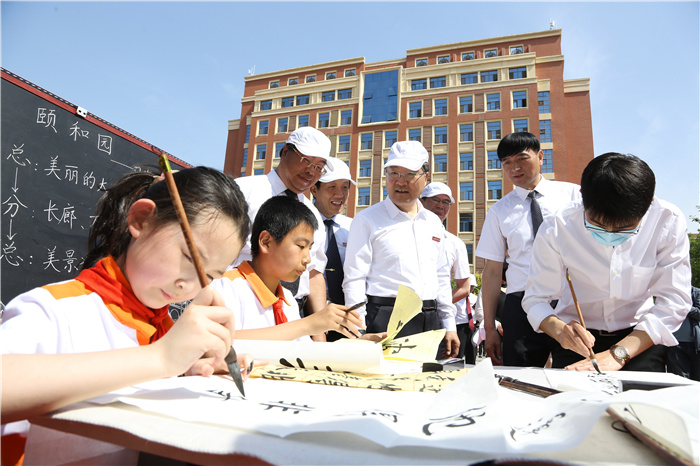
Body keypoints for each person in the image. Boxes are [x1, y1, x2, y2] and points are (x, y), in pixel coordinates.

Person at [1, 167, 252, 465]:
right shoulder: (55, 311)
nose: (189, 285)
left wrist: (188, 371)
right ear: (142, 220)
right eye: (190, 257)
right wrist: (161, 358)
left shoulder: (163, 329)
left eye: (209, 276)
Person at [522, 153, 692, 371]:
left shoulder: (667, 221)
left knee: (639, 394)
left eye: (625, 228)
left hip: (641, 336)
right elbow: (536, 299)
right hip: (579, 339)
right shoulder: (557, 226)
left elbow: (674, 300)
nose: (609, 234)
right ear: (582, 196)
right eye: (596, 224)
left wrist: (617, 354)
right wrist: (561, 331)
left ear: (648, 203)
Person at [343, 141, 459, 358]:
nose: (400, 181)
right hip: (386, 319)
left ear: (426, 177)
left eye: (410, 174)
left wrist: (449, 324)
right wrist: (358, 331)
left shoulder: (433, 222)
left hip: (430, 320)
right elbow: (354, 278)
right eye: (393, 173)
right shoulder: (367, 220)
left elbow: (441, 275)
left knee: (427, 378)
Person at [476, 131, 580, 367]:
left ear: (540, 157)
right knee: (519, 376)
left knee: (574, 372)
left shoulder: (574, 195)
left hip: (569, 297)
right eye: (507, 162)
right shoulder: (499, 210)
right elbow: (492, 272)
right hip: (520, 302)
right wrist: (489, 328)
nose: (515, 168)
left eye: (522, 159)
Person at [211, 196, 365, 341]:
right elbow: (219, 342)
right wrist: (308, 325)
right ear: (266, 242)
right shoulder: (226, 288)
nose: (308, 259)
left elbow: (303, 352)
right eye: (301, 246)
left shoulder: (287, 299)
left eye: (310, 249)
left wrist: (357, 343)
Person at [234, 127, 331, 341]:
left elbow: (314, 273)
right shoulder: (243, 191)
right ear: (285, 151)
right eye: (306, 161)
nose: (311, 172)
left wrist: (319, 336)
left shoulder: (313, 215)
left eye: (319, 167)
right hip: (243, 307)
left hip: (292, 311)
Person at [420, 182, 473, 361]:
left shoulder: (455, 243)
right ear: (422, 201)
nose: (441, 206)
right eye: (435, 200)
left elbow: (464, 287)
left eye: (446, 202)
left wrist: (436, 306)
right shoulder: (405, 234)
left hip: (441, 321)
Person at [667, 286, 700, 381]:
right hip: (675, 344)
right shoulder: (669, 293)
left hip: (696, 345)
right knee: (681, 378)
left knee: (697, 379)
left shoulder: (696, 292)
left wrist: (684, 307)